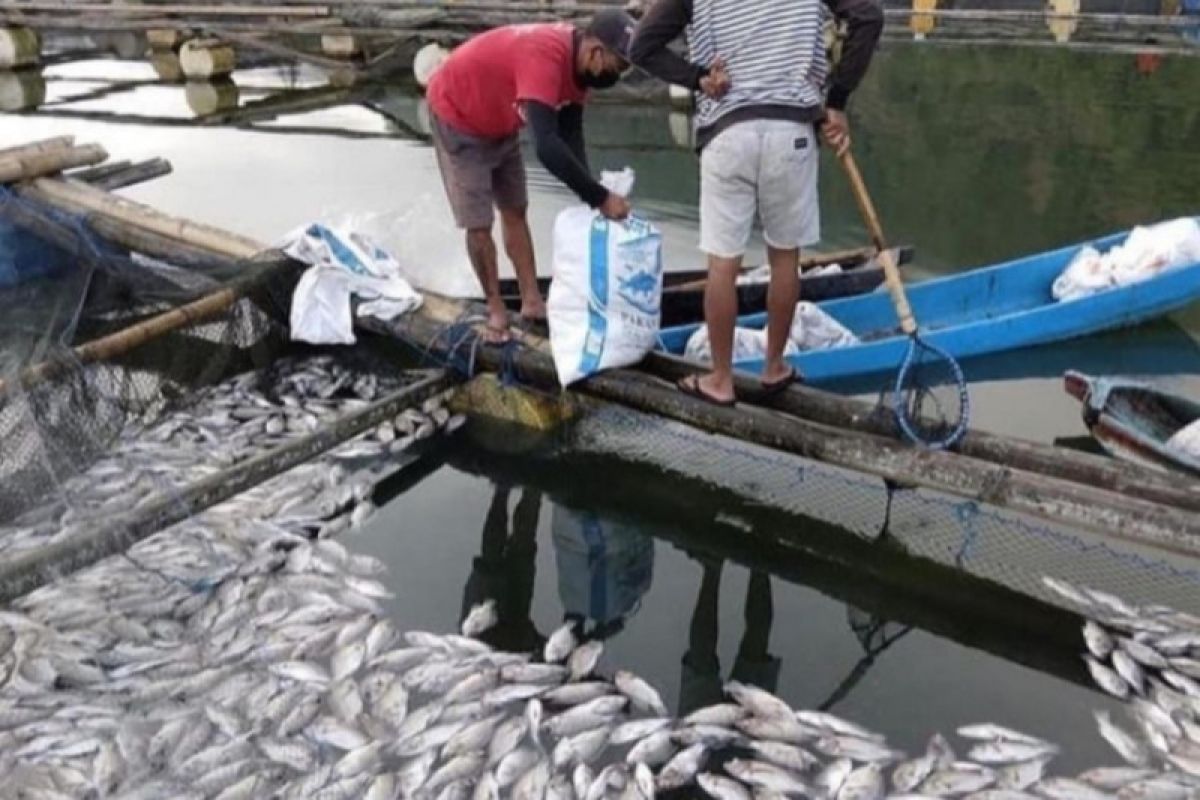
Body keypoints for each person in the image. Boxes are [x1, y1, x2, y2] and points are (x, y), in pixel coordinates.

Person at [630, 0, 884, 405]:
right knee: (785, 257)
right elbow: (868, 17)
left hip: (727, 133)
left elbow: (641, 47)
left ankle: (720, 379)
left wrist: (697, 78)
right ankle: (774, 367)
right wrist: (836, 100)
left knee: (723, 264)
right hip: (791, 131)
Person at [426, 11, 639, 343]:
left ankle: (532, 301)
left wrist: (591, 194)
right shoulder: (545, 56)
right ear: (596, 51)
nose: (618, 75)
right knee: (479, 224)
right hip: (459, 115)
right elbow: (547, 148)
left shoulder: (579, 69)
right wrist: (600, 197)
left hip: (501, 120)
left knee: (515, 209)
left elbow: (570, 134)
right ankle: (495, 309)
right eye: (618, 66)